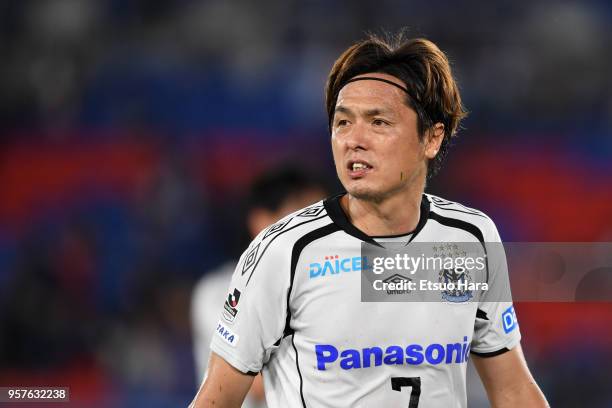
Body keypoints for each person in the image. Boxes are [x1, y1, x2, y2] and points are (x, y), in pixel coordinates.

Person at [190, 33, 548, 407]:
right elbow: (216, 400)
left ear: (432, 138)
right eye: (343, 123)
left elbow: (513, 390)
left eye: (378, 122)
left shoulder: (471, 237)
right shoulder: (285, 251)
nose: (354, 140)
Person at [191, 165, 327, 408]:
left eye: (321, 218)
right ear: (261, 221)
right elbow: (252, 382)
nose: (318, 230)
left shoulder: (333, 282)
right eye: (303, 216)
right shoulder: (217, 290)